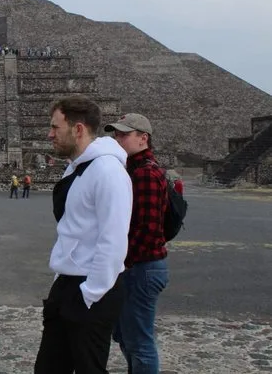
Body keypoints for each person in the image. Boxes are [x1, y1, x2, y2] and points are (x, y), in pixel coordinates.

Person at [34, 96, 133, 373]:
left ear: (78, 129)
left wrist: (89, 294)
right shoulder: (77, 167)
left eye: (56, 127)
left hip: (91, 290)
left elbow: (113, 241)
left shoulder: (107, 171)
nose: (50, 134)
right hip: (67, 285)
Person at [105, 114, 169, 374]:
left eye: (124, 134)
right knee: (126, 336)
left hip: (142, 266)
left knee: (139, 342)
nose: (117, 139)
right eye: (116, 134)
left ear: (143, 138)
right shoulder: (132, 170)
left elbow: (148, 229)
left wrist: (123, 262)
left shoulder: (145, 173)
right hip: (139, 265)